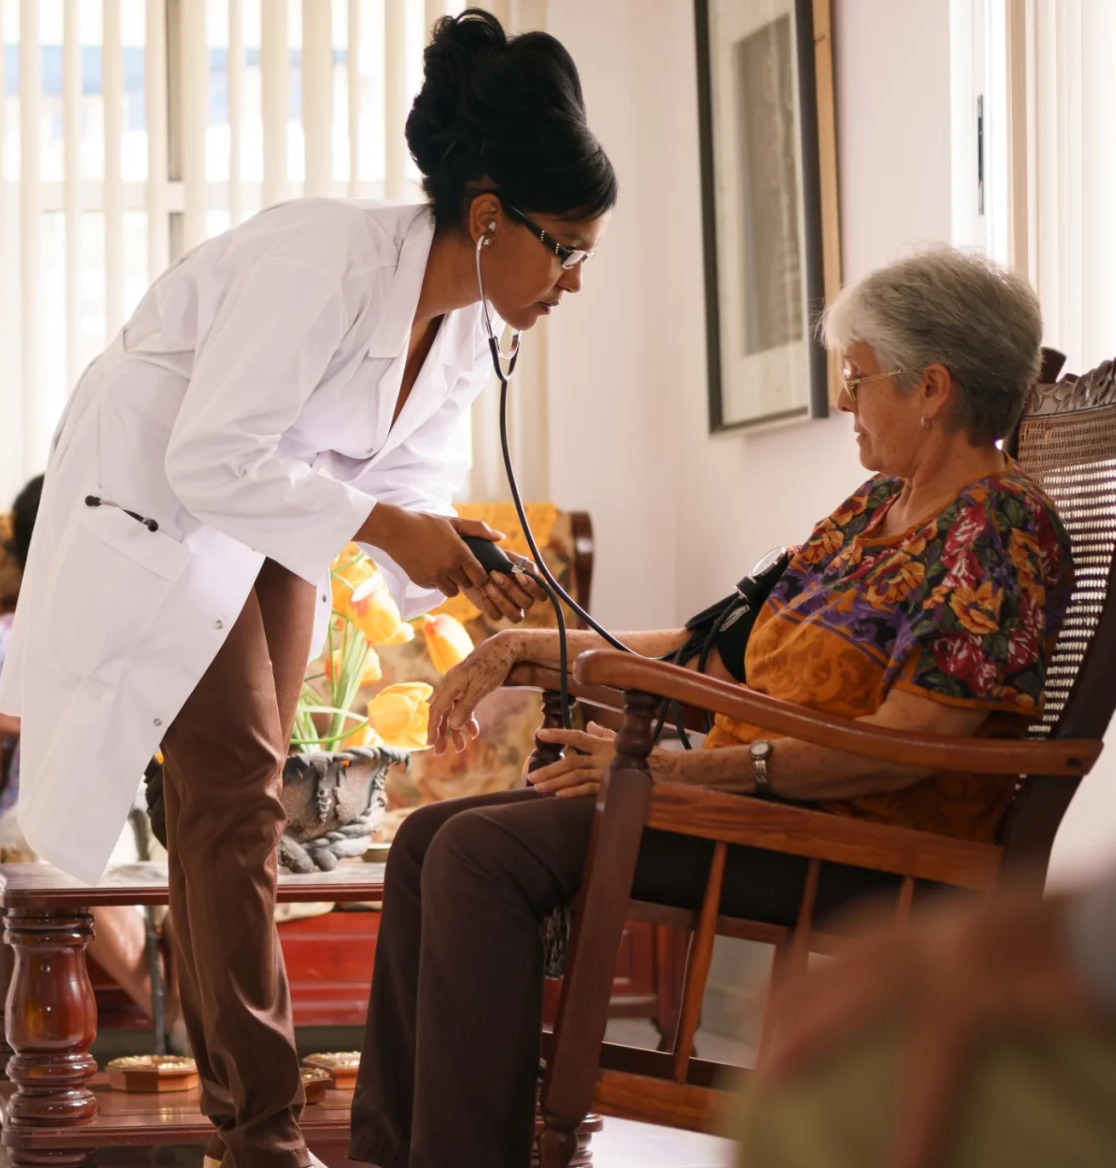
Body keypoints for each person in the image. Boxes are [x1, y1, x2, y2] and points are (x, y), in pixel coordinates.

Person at [0, 13, 598, 1165]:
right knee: (229, 795)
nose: (572, 279)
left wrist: (469, 569)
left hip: (277, 512)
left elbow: (410, 481)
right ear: (488, 220)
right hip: (162, 498)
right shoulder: (320, 259)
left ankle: (250, 1109)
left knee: (249, 798)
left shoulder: (470, 325)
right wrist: (395, 529)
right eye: (563, 246)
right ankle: (260, 1129)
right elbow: (209, 456)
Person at [350, 247, 1071, 1168]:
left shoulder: (998, 531)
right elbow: (714, 651)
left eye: (857, 378)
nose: (846, 401)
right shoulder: (875, 510)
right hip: (752, 812)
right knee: (424, 843)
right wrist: (529, 650)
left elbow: (900, 751)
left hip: (850, 838)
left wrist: (671, 771)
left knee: (480, 856)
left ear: (932, 388)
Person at [740, 625, 1116, 1168]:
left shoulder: (988, 533)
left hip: (863, 820)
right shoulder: (866, 518)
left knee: (829, 1090)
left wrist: (1083, 938)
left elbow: (916, 733)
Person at [0, 474, 172, 1032]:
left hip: (148, 795)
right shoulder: (11, 633)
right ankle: (179, 1019)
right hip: (50, 795)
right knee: (66, 844)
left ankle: (194, 1020)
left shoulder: (156, 617)